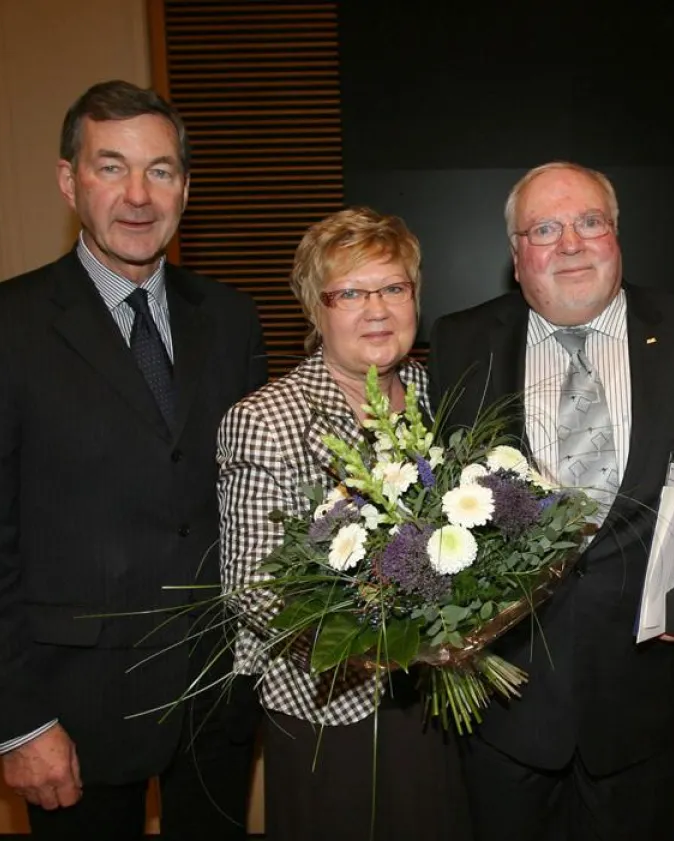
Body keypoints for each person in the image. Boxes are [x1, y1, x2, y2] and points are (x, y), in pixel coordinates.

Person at [0, 80, 265, 839]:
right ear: (67, 179)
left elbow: (249, 504)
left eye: (161, 170)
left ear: (186, 184)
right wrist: (18, 724)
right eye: (111, 167)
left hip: (217, 701)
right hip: (71, 710)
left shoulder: (232, 318)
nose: (139, 195)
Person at [426, 161, 674, 841]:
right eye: (544, 229)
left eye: (589, 222)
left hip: (644, 695)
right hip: (503, 696)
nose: (570, 243)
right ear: (517, 257)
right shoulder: (460, 344)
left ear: (617, 237)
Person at [217, 207, 472, 841]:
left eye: (393, 287)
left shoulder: (443, 395)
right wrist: (384, 645)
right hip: (328, 712)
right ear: (314, 308)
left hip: (441, 702)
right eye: (351, 293)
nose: (377, 309)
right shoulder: (267, 418)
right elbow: (252, 589)